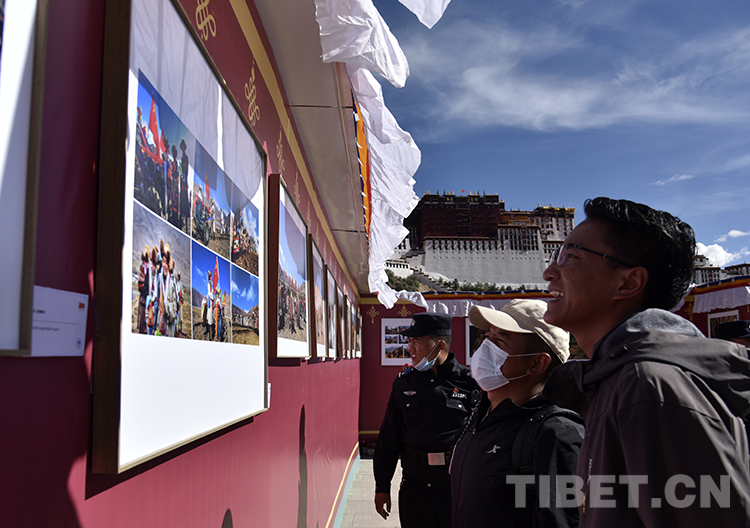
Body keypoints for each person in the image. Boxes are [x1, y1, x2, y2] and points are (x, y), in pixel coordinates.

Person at [542, 197, 750, 527]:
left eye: (570, 257)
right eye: (556, 255)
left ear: (629, 282)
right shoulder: (615, 378)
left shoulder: (649, 386)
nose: (549, 272)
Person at [450, 300, 583, 528]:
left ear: (537, 363)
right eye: (487, 337)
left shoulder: (556, 433)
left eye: (500, 341)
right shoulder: (481, 414)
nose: (485, 347)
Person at [373, 313, 480, 528]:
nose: (410, 348)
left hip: (455, 486)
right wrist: (382, 486)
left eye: (417, 341)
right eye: (409, 341)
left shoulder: (469, 382)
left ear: (439, 345)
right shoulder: (404, 382)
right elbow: (389, 437)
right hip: (415, 487)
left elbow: (480, 436)